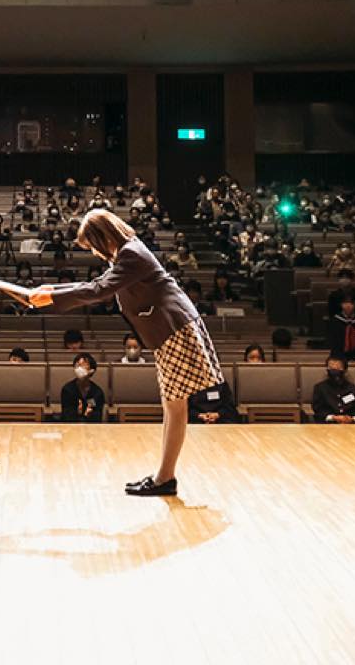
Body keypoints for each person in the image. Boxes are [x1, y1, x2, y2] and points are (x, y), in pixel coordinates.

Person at [28, 208, 223, 497]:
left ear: (103, 237)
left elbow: (99, 290)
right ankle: (164, 476)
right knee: (174, 405)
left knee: (175, 406)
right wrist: (53, 289)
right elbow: (98, 285)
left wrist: (53, 296)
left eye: (93, 246)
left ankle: (165, 478)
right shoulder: (128, 253)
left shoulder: (131, 254)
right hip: (169, 330)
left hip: (174, 329)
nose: (94, 253)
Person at [311, 355, 355, 424]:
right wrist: (333, 417)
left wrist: (352, 418)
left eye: (338, 368)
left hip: (350, 424)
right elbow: (318, 409)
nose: (335, 371)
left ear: (345, 370)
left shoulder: (353, 388)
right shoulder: (320, 388)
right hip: (328, 424)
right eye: (331, 368)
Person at [60, 354, 107, 423]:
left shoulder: (97, 392)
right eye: (77, 365)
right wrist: (78, 413)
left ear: (92, 370)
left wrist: (88, 415)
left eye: (83, 365)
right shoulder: (67, 390)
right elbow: (66, 417)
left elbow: (98, 417)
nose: (79, 368)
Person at [326, 290, 355, 363]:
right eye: (345, 303)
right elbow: (333, 341)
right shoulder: (335, 320)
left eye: (351, 303)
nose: (348, 305)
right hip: (338, 356)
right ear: (340, 304)